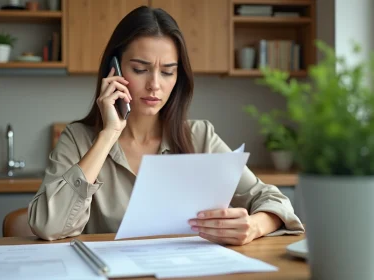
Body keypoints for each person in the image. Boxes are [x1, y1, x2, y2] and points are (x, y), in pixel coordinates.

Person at [28, 6, 304, 244]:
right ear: (114, 71)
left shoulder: (200, 137)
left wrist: (254, 227)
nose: (155, 85)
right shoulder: (78, 139)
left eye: (168, 72)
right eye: (140, 69)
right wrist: (109, 133)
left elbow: (274, 200)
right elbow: (48, 226)